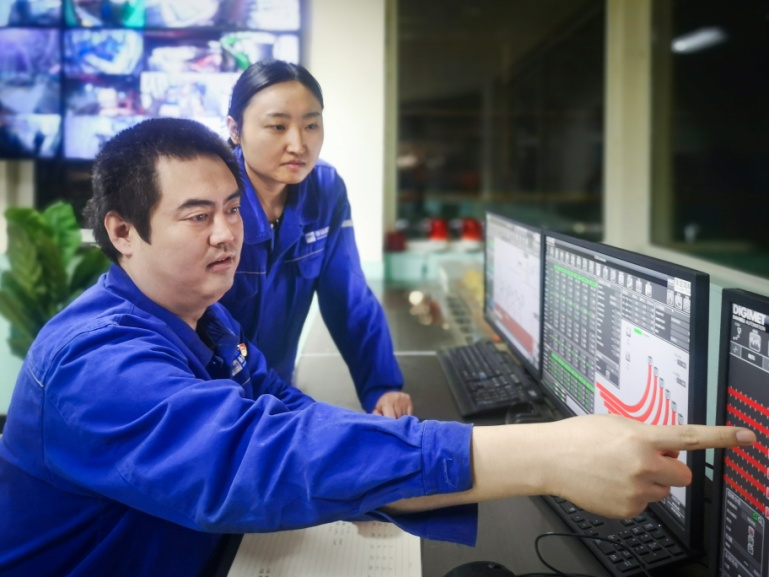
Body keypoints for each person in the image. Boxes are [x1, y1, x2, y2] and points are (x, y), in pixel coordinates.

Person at [0, 118, 755, 577]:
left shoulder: (204, 318)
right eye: (198, 216)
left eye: (232, 208)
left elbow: (288, 413)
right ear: (122, 233)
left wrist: (380, 466)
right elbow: (255, 455)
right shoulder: (93, 360)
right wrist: (549, 455)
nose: (229, 233)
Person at [220, 60, 413, 418]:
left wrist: (382, 387)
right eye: (277, 126)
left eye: (311, 125)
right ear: (235, 129)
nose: (298, 144)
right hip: (206, 395)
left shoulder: (325, 188)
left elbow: (348, 296)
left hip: (278, 394)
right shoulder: (208, 194)